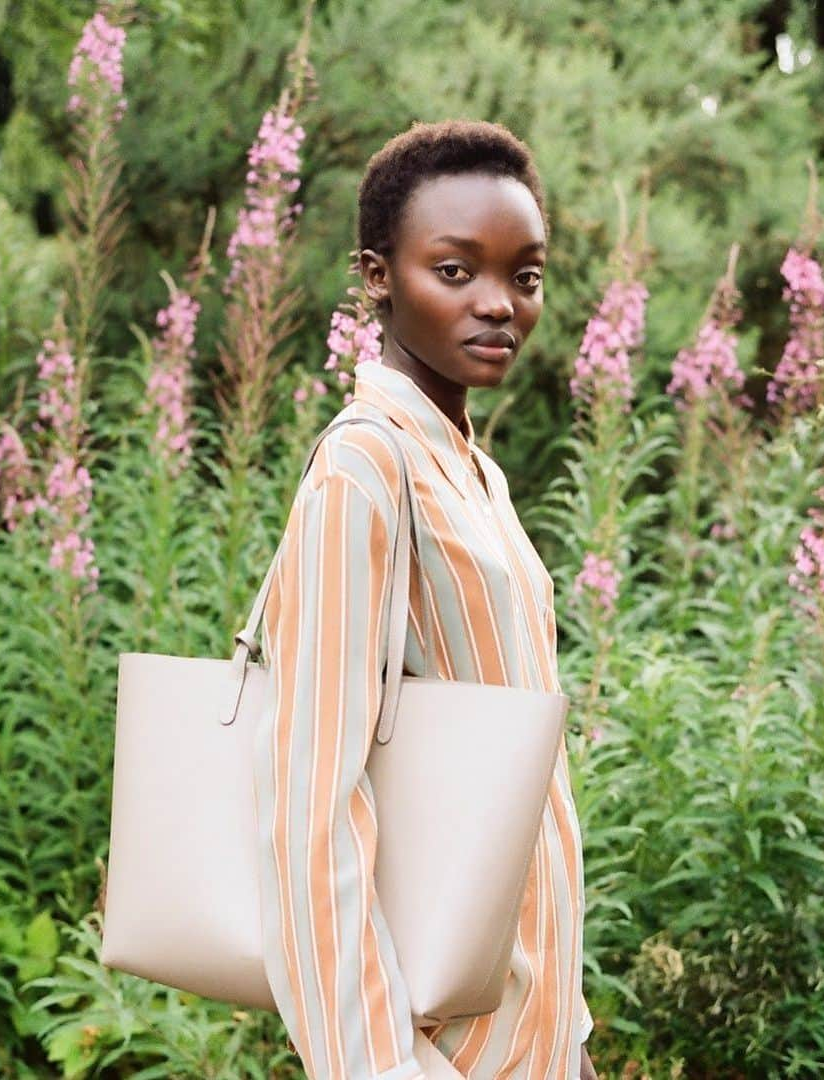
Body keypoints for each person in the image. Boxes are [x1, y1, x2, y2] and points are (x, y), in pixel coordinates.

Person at [252, 119, 597, 1080]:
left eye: (523, 277)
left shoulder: (475, 475)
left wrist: (568, 1034)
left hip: (536, 1034)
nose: (499, 305)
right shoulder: (363, 468)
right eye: (456, 272)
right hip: (440, 1055)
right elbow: (307, 811)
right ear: (376, 275)